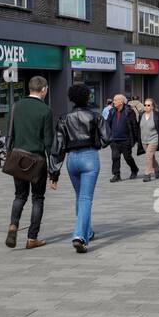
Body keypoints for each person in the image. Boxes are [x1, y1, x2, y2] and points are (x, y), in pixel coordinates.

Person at [53, 83, 107, 254]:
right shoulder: (95, 117)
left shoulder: (64, 118)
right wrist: (95, 142)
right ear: (87, 97)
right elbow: (107, 138)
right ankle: (79, 235)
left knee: (79, 197)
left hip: (72, 160)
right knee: (85, 198)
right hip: (89, 157)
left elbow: (58, 147)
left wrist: (54, 173)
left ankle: (88, 231)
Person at [5, 76, 54, 250]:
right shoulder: (45, 110)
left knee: (19, 196)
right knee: (37, 198)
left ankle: (13, 225)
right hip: (37, 160)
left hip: (18, 157)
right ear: (43, 90)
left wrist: (8, 153)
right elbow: (49, 142)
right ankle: (32, 238)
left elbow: (9, 134)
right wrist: (54, 171)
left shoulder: (16, 106)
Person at [106, 93, 140, 181]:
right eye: (114, 100)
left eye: (115, 100)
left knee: (127, 157)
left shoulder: (129, 111)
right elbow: (107, 124)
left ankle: (134, 169)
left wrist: (135, 139)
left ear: (121, 102)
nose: (114, 102)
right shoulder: (112, 111)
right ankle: (116, 175)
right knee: (115, 157)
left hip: (126, 140)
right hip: (114, 140)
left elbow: (134, 126)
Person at [137, 98, 159, 182]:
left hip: (154, 139)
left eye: (148, 105)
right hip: (144, 140)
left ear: (152, 107)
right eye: (145, 105)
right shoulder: (141, 115)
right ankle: (157, 168)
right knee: (151, 157)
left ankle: (147, 174)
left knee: (148, 156)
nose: (146, 107)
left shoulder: (156, 115)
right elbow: (139, 128)